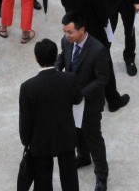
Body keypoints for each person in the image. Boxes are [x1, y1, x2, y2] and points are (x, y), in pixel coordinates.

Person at [59, 0, 130, 111]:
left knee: (73, 61)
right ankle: (113, 100)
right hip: (93, 32)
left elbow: (64, 2)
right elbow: (102, 15)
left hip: (73, 27)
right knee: (104, 64)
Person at [55, 13, 110, 191]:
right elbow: (63, 58)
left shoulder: (98, 49)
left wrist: (83, 94)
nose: (66, 36)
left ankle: (101, 176)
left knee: (93, 137)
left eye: (70, 32)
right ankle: (83, 157)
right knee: (76, 132)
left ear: (82, 30)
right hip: (72, 99)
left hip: (90, 102)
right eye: (64, 32)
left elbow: (102, 79)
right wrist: (56, 70)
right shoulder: (66, 42)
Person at [19, 39, 81, 191]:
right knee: (70, 177)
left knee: (42, 180)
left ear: (36, 59)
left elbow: (25, 120)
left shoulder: (27, 87)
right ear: (55, 56)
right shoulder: (69, 79)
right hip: (65, 136)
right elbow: (78, 98)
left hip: (40, 141)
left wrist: (26, 141)